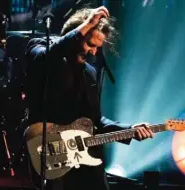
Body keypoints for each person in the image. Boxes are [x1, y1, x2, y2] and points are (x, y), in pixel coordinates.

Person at [25, 6, 154, 190]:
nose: (93, 52)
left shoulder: (90, 73)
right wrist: (87, 24)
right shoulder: (39, 47)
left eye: (97, 47)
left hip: (84, 156)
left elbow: (95, 120)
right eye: (89, 44)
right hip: (50, 151)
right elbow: (48, 56)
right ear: (77, 33)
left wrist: (130, 130)